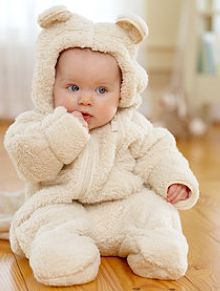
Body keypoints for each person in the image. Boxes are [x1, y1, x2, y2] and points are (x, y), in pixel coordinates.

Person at [4, 6, 199, 286]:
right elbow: (31, 163)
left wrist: (173, 180)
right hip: (61, 205)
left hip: (117, 209)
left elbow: (159, 152)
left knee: (155, 208)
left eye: (101, 90)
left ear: (122, 91)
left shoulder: (131, 126)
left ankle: (157, 248)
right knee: (44, 221)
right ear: (50, 84)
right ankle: (64, 255)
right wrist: (62, 135)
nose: (86, 99)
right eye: (73, 88)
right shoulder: (36, 123)